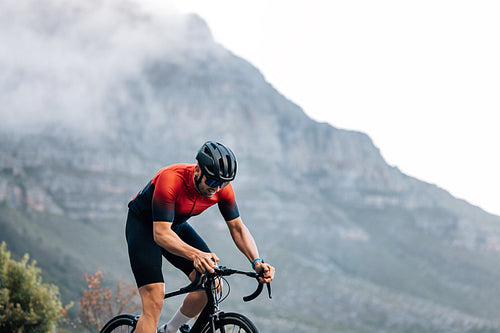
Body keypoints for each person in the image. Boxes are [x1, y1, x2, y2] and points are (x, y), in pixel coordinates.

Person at [125, 141, 275, 333]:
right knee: (154, 299)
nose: (217, 188)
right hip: (144, 227)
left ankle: (169, 330)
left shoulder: (222, 189)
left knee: (212, 284)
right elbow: (160, 234)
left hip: (175, 226)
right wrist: (196, 254)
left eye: (223, 183)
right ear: (197, 170)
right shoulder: (171, 178)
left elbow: (237, 228)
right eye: (212, 181)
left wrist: (257, 261)